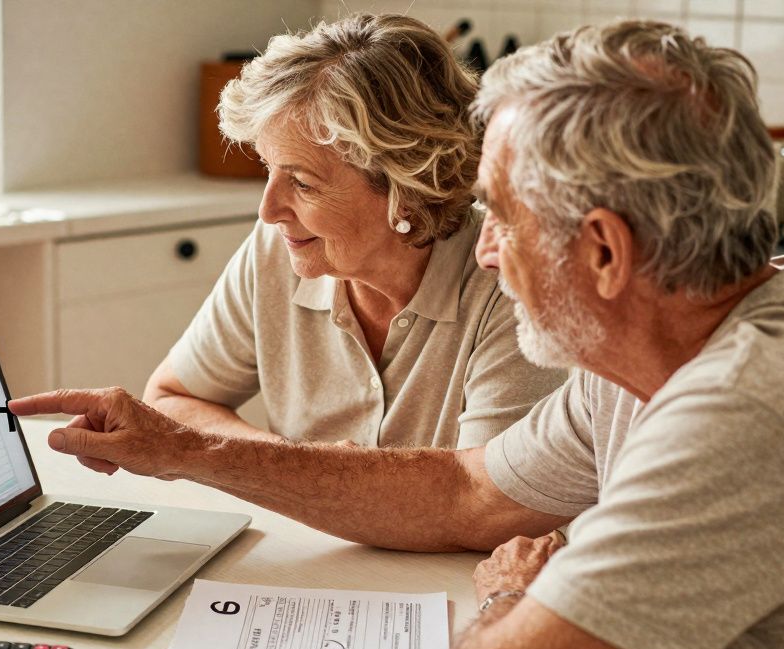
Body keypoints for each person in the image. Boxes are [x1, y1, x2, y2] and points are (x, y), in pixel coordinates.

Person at [11, 19, 784, 649]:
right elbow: (467, 492)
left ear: (603, 251)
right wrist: (181, 445)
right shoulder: (648, 360)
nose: (481, 247)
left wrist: (518, 595)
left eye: (504, 218)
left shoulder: (747, 413)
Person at [133, 13, 564, 452]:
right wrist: (296, 464)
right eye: (268, 168)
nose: (268, 210)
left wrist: (303, 474)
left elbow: (490, 501)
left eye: (302, 182)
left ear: (406, 190)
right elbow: (172, 400)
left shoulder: (507, 282)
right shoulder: (278, 250)